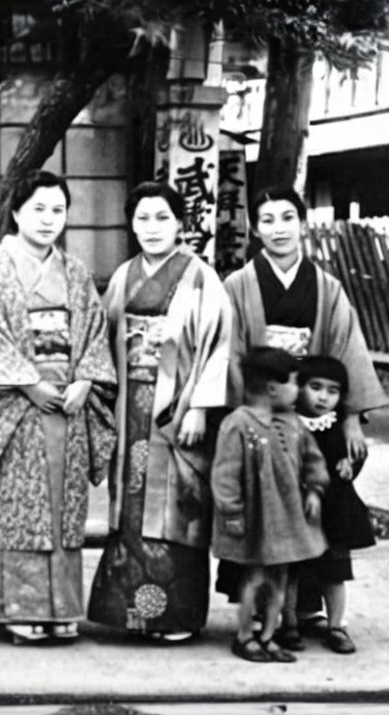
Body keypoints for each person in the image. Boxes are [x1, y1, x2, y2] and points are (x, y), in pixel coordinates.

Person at [218, 185, 389, 626]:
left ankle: (307, 605)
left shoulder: (328, 288)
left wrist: (350, 418)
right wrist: (247, 412)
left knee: (317, 505)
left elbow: (346, 351)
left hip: (316, 417)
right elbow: (230, 355)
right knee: (264, 506)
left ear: (302, 223)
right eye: (268, 220)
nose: (279, 228)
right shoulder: (238, 286)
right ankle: (266, 610)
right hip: (259, 413)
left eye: (287, 218)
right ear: (255, 230)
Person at [0, 170, 117, 644]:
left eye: (58, 210)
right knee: (17, 509)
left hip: (68, 405)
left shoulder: (76, 272)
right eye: (38, 209)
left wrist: (85, 379)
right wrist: (30, 385)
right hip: (16, 407)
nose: (49, 219)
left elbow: (94, 333)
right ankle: (18, 609)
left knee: (64, 510)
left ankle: (62, 609)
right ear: (15, 212)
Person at [87, 182, 232, 643]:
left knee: (177, 509)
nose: (152, 228)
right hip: (130, 405)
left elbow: (219, 346)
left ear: (179, 223)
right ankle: (129, 613)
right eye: (142, 218)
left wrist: (201, 408)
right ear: (131, 224)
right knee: (130, 508)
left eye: (162, 218)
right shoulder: (124, 276)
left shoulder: (201, 277)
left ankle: (176, 615)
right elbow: (102, 340)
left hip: (178, 409)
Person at [211, 347, 329, 663]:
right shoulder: (238, 423)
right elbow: (225, 474)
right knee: (253, 578)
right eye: (294, 382)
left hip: (288, 518)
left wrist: (315, 490)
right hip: (256, 520)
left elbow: (313, 460)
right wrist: (231, 512)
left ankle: (268, 635)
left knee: (280, 578)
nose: (298, 390)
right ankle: (245, 636)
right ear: (272, 388)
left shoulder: (294, 423)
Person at [276, 356, 376, 655]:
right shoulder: (287, 421)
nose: (323, 397)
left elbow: (356, 454)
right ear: (299, 388)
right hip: (296, 507)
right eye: (315, 387)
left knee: (335, 571)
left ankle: (336, 626)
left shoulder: (341, 422)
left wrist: (350, 465)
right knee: (291, 569)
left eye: (332, 391)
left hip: (335, 510)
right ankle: (289, 624)